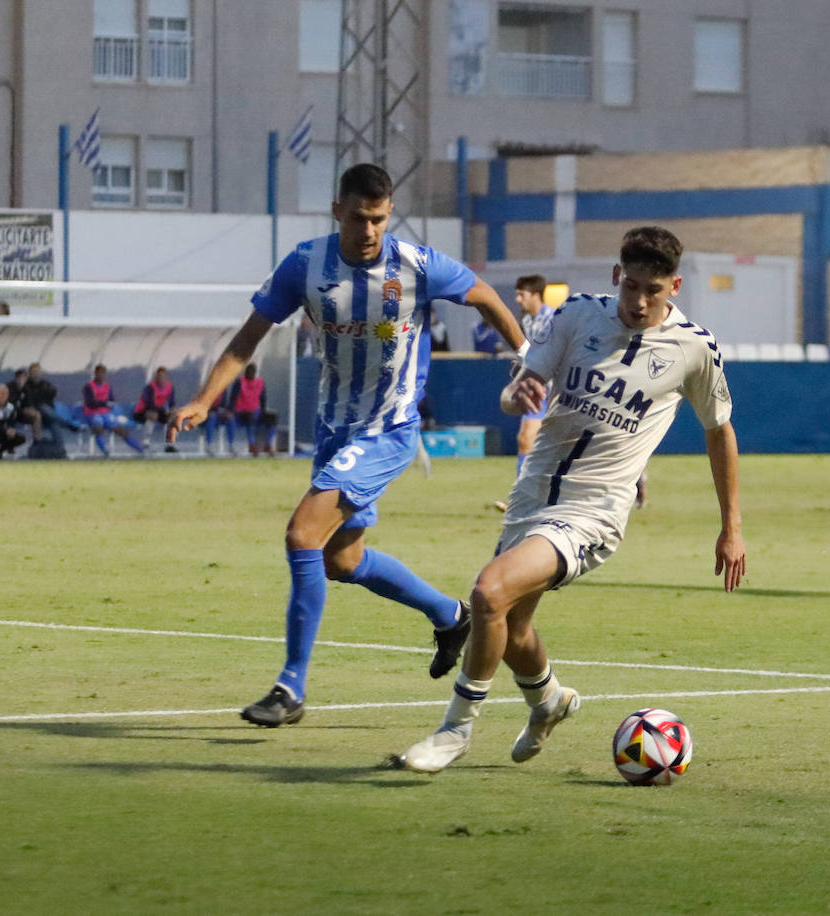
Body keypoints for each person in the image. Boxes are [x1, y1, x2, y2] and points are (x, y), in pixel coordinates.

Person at [168, 163, 525, 728]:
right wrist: (205, 400)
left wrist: (524, 354)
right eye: (360, 217)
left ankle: (291, 687)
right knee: (341, 559)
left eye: (379, 219)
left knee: (301, 534)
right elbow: (246, 340)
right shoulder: (305, 265)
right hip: (336, 429)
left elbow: (483, 295)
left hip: (388, 429)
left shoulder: (416, 265)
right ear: (339, 210)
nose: (369, 230)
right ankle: (450, 615)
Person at [396, 225, 746, 773]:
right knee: (511, 630)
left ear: (674, 285)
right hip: (531, 494)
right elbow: (516, 396)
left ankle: (454, 731)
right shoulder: (576, 315)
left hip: (594, 511)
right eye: (630, 286)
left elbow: (719, 430)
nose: (639, 301)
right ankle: (550, 701)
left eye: (653, 290)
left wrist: (732, 527)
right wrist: (518, 394)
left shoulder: (694, 349)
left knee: (488, 593)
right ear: (616, 276)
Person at [490, 274, 556, 512]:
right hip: (538, 390)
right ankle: (522, 500)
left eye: (521, 294)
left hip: (559, 390)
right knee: (525, 440)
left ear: (535, 295)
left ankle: (636, 480)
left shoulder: (554, 319)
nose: (517, 300)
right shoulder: (527, 322)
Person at [81, 364, 147, 456]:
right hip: (92, 413)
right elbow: (90, 403)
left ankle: (139, 449)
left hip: (105, 413)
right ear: (95, 374)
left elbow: (111, 400)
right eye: (99, 373)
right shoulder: (88, 387)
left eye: (103, 373)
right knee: (98, 427)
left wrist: (109, 404)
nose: (101, 375)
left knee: (121, 430)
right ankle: (105, 450)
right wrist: (104, 403)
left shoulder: (107, 386)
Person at [18, 362, 80, 443]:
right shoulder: (26, 386)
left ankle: (58, 447)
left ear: (41, 373)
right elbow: (28, 403)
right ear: (30, 373)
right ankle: (67, 425)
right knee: (42, 408)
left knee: (54, 426)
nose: (36, 374)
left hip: (48, 416)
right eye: (33, 372)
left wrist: (51, 392)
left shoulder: (46, 384)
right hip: (33, 414)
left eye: (37, 372)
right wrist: (23, 385)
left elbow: (52, 395)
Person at [229, 363, 278, 456]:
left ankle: (269, 444)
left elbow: (263, 399)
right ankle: (252, 444)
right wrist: (232, 411)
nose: (250, 374)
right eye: (248, 372)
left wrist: (263, 410)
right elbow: (233, 398)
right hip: (242, 412)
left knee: (273, 417)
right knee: (250, 417)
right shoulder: (240, 382)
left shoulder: (260, 383)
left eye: (252, 372)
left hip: (256, 411)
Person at [133, 366, 179, 452]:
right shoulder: (150, 387)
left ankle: (169, 444)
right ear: (156, 377)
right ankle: (146, 441)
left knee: (174, 417)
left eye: (163, 377)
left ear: (166, 377)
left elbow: (172, 402)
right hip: (141, 412)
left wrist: (173, 410)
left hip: (158, 411)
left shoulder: (170, 387)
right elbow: (149, 405)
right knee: (153, 414)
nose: (161, 379)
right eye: (159, 376)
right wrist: (164, 410)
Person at [0, 383, 26, 458]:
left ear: (8, 395)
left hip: (2, 434)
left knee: (20, 438)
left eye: (4, 394)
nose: (2, 396)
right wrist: (4, 430)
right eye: (0, 393)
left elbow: (11, 422)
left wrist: (11, 429)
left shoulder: (11, 407)